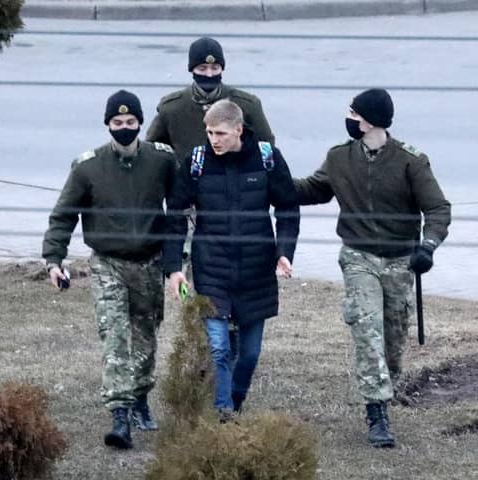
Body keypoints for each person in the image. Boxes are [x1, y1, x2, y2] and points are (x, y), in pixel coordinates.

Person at [294, 88, 451, 448]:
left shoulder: (411, 161)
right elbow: (313, 189)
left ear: (369, 120)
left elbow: (438, 209)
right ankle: (376, 412)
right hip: (358, 256)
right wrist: (270, 180)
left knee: (393, 341)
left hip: (400, 260)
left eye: (353, 113)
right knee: (367, 331)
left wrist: (428, 247)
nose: (348, 118)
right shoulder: (339, 157)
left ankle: (386, 388)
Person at [42, 90, 176, 450]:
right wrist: (54, 259)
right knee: (115, 337)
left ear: (140, 123)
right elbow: (63, 215)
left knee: (145, 338)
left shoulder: (161, 161)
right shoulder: (87, 166)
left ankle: (141, 398)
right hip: (107, 265)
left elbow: (181, 208)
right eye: (117, 123)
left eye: (130, 123)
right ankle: (120, 415)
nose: (124, 128)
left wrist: (181, 258)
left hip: (149, 263)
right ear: (107, 125)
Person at [163, 99, 299, 419]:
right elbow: (175, 216)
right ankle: (223, 413)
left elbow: (288, 210)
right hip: (212, 268)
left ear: (239, 130)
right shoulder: (196, 162)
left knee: (249, 355)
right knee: (219, 348)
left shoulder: (267, 159)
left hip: (256, 270)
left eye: (221, 133)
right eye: (209, 132)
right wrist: (173, 269)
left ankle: (235, 402)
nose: (214, 140)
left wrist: (284, 253)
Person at [146, 36, 275, 158]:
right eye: (202, 68)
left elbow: (266, 148)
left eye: (215, 68)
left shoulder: (247, 105)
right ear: (192, 70)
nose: (209, 74)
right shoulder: (171, 108)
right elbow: (152, 151)